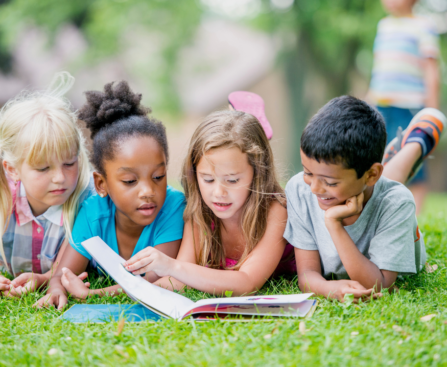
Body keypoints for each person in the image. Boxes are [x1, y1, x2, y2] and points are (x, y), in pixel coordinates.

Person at [36, 81, 185, 309]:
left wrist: (93, 295)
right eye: (130, 181)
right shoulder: (93, 212)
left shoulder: (173, 207)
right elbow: (62, 273)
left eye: (158, 177)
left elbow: (152, 279)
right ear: (101, 184)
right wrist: (56, 289)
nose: (147, 191)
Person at [285, 96, 445, 302]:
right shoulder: (299, 189)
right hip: (369, 177)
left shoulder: (396, 203)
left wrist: (334, 224)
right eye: (307, 172)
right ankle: (392, 156)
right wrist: (327, 288)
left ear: (371, 174)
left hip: (379, 187)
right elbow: (307, 274)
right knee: (380, 181)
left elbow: (379, 285)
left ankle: (417, 141)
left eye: (330, 182)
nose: (314, 188)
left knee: (387, 189)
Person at [123, 109, 295, 296]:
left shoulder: (275, 210)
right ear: (195, 174)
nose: (219, 193)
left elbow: (247, 282)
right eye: (208, 179)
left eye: (232, 180)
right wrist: (119, 290)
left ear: (258, 174)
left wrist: (172, 266)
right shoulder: (200, 212)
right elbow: (179, 279)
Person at [0, 72, 95, 297]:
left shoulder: (87, 199)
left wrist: (43, 279)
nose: (60, 178)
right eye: (43, 168)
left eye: (69, 163)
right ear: (12, 169)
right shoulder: (3, 199)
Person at [367, 0, 440, 214]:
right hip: (381, 105)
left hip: (409, 105)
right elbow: (379, 68)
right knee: (381, 158)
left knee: (412, 156)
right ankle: (384, 212)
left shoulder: (423, 26)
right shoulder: (384, 26)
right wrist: (369, 101)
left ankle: (415, 216)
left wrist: (432, 110)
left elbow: (430, 69)